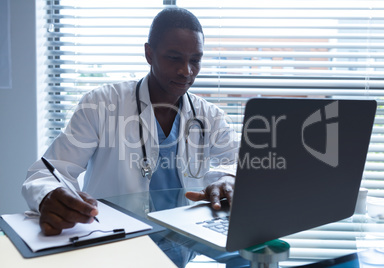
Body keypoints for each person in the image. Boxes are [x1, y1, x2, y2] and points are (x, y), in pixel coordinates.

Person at [22, 7, 239, 237]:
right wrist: (50, 195)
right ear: (149, 54)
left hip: (185, 245)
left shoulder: (209, 116)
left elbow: (241, 163)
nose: (186, 71)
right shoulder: (101, 104)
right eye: (174, 58)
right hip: (115, 242)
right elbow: (46, 173)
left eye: (195, 60)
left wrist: (228, 178)